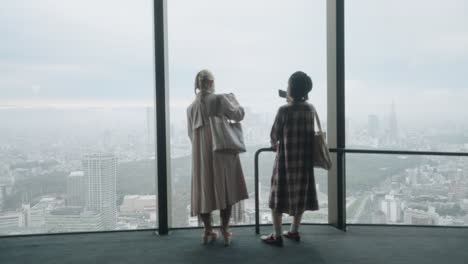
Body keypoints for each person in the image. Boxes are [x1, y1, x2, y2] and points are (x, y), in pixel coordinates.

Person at [187, 69, 249, 246]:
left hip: (201, 155)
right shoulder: (220, 99)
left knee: (204, 189)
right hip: (221, 151)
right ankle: (225, 230)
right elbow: (239, 115)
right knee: (225, 188)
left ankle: (207, 231)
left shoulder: (190, 109)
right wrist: (235, 101)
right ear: (211, 83)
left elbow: (190, 135)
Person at [261, 71, 320, 246]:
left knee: (276, 200)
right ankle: (294, 231)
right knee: (300, 195)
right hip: (304, 162)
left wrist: (275, 144)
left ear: (291, 89)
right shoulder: (310, 109)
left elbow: (274, 135)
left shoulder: (284, 110)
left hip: (285, 163)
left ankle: (277, 235)